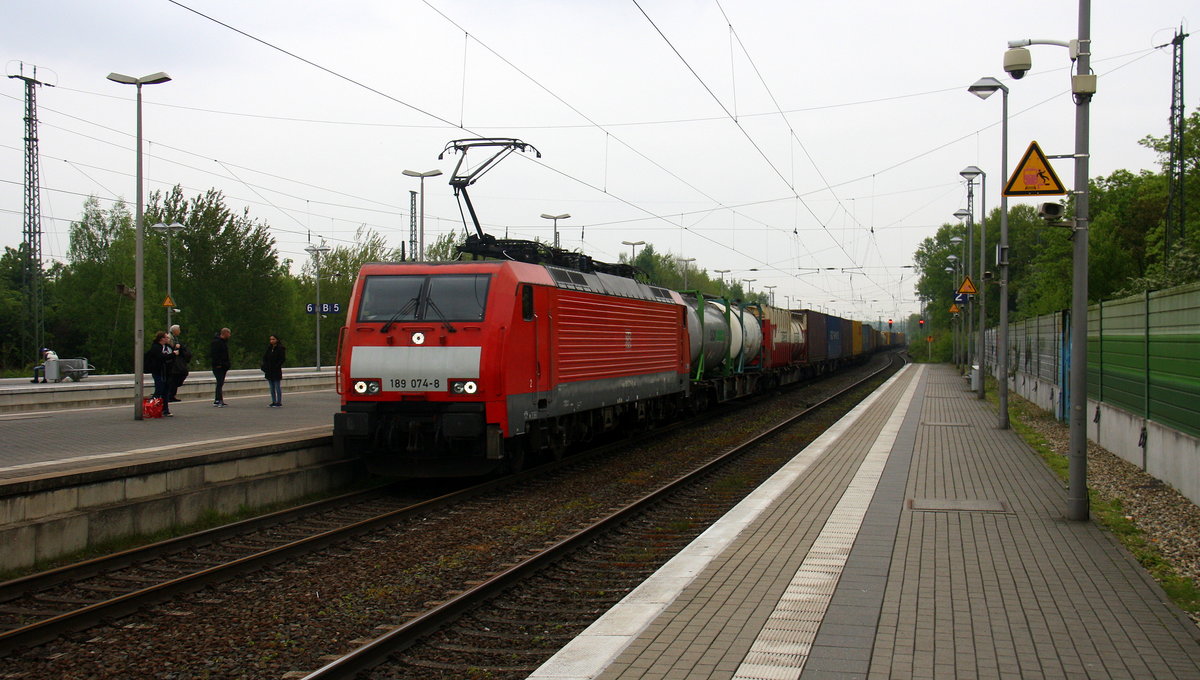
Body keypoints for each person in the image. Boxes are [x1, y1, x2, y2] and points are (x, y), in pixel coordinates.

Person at [144, 331, 174, 416]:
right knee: (159, 390)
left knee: (166, 391)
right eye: (166, 337)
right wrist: (173, 355)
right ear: (161, 339)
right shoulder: (156, 347)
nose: (168, 339)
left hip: (167, 372)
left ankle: (165, 410)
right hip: (158, 371)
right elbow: (161, 357)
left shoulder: (168, 347)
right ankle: (151, 408)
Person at [167, 324, 192, 403]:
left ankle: (172, 395)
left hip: (176, 362)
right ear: (175, 331)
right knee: (174, 379)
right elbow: (170, 347)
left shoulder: (175, 338)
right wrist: (176, 347)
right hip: (174, 363)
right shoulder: (170, 338)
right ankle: (170, 395)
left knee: (177, 378)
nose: (180, 331)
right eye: (179, 330)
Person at [262, 334, 286, 407]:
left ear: (277, 340)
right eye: (271, 339)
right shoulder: (269, 348)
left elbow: (282, 359)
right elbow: (265, 357)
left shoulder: (280, 348)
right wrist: (265, 365)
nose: (271, 341)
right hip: (269, 370)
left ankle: (278, 402)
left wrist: (277, 365)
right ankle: (273, 401)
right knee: (271, 387)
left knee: (277, 386)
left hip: (276, 370)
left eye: (273, 339)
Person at [210, 327, 232, 407]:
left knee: (220, 382)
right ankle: (219, 399)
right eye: (229, 333)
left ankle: (218, 399)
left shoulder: (223, 342)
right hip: (219, 366)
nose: (229, 335)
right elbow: (215, 354)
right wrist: (218, 364)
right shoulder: (217, 342)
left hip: (223, 366)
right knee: (219, 382)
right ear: (225, 333)